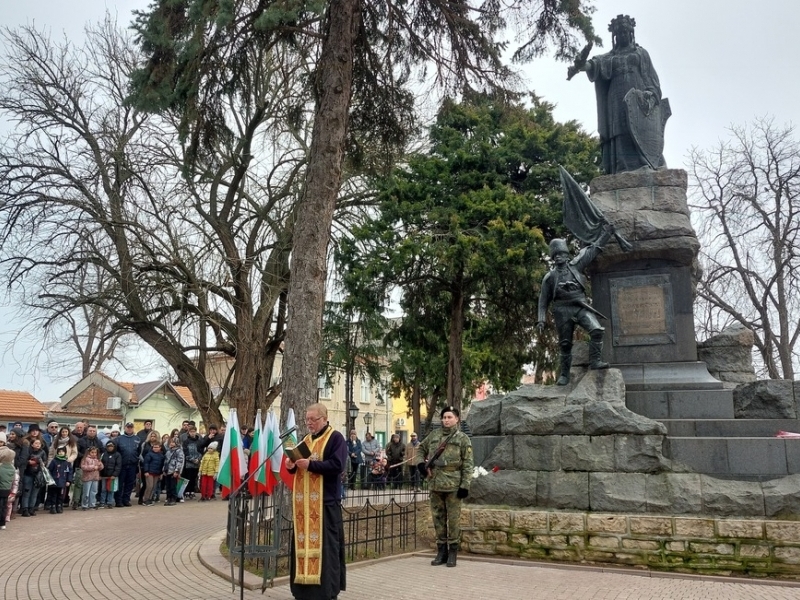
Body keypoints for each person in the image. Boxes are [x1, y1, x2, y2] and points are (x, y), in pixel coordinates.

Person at [568, 14, 668, 175]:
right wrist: (581, 65)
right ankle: (622, 165)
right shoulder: (610, 57)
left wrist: (650, 93)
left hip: (638, 96)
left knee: (638, 128)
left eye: (625, 32)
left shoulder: (641, 54)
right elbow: (595, 65)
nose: (622, 35)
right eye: (619, 33)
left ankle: (647, 163)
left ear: (631, 33)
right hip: (616, 98)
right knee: (620, 129)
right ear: (614, 36)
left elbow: (651, 78)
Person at [285, 403, 347, 600]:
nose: (309, 423)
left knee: (326, 549)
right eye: (307, 419)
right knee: (302, 547)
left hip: (325, 504)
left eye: (313, 419)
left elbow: (337, 465)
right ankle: (303, 591)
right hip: (304, 507)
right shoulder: (306, 440)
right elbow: (297, 467)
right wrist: (291, 465)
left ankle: (326, 592)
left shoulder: (335, 438)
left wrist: (310, 464)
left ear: (324, 418)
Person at [536, 232, 614, 385]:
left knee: (596, 330)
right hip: (562, 310)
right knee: (565, 344)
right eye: (555, 255)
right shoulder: (550, 277)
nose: (558, 257)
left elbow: (594, 249)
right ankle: (564, 375)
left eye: (561, 254)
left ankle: (595, 361)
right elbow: (543, 301)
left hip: (580, 306)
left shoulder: (576, 266)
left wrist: (608, 232)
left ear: (566, 255)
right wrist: (541, 320)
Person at [417, 406, 474, 567]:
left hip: (454, 485)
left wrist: (465, 485)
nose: (446, 420)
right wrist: (421, 464)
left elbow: (468, 464)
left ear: (457, 419)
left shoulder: (463, 439)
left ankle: (453, 552)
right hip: (435, 483)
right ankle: (441, 551)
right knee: (438, 519)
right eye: (444, 417)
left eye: (450, 417)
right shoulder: (434, 435)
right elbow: (420, 448)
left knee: (453, 520)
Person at [114, 422, 142, 507]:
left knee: (129, 484)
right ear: (125, 428)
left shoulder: (137, 439)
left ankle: (126, 500)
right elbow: (115, 452)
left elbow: (139, 452)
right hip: (121, 465)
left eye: (131, 427)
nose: (129, 429)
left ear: (133, 428)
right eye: (128, 427)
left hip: (132, 465)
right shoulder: (118, 439)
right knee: (120, 483)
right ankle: (118, 501)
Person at [20, 438, 47, 517]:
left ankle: (32, 508)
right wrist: (28, 462)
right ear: (32, 444)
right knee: (26, 492)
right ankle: (25, 508)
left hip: (38, 475)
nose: (38, 444)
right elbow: (24, 460)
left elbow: (45, 462)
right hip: (28, 474)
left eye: (39, 443)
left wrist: (39, 461)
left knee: (34, 493)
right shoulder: (28, 451)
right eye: (36, 443)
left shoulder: (42, 452)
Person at [46, 446, 74, 514]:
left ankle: (59, 506)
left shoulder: (67, 462)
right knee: (53, 494)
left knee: (61, 495)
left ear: (65, 453)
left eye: (62, 452)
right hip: (54, 482)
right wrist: (50, 480)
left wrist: (68, 480)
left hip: (63, 482)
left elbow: (69, 472)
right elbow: (49, 470)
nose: (61, 453)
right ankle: (53, 506)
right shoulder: (54, 461)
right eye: (59, 452)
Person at [181, 425, 202, 500]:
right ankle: (187, 491)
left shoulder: (199, 441)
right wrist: (192, 459)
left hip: (196, 463)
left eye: (194, 431)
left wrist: (198, 459)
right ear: (188, 432)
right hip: (189, 463)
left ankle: (192, 491)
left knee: (194, 477)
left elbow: (201, 451)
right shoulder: (186, 441)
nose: (193, 433)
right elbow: (185, 452)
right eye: (191, 432)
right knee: (188, 477)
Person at [99, 440, 122, 509]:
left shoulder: (117, 455)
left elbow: (118, 466)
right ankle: (102, 502)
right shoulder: (103, 454)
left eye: (111, 446)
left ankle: (110, 502)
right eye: (108, 446)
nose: (110, 448)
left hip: (112, 476)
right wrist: (100, 474)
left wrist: (115, 475)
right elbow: (100, 464)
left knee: (111, 489)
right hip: (104, 475)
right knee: (103, 489)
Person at [0, 432, 15, 530]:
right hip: (7, 488)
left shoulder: (2, 467)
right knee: (4, 505)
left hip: (1, 487)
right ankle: (2, 522)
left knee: (2, 506)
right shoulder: (12, 467)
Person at [142, 442, 165, 506]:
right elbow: (146, 463)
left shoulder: (161, 456)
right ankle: (145, 499)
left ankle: (150, 499)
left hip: (157, 473)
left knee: (153, 487)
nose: (155, 448)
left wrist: (161, 473)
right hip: (149, 473)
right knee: (149, 486)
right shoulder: (149, 454)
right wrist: (146, 471)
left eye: (157, 447)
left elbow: (161, 465)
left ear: (160, 448)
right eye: (154, 447)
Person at [163, 437, 184, 506]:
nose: (171, 444)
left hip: (173, 471)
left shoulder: (179, 451)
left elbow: (180, 461)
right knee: (168, 486)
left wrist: (177, 471)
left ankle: (173, 498)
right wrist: (164, 470)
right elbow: (165, 461)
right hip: (167, 471)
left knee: (173, 486)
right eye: (170, 442)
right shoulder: (168, 451)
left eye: (173, 442)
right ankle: (168, 498)